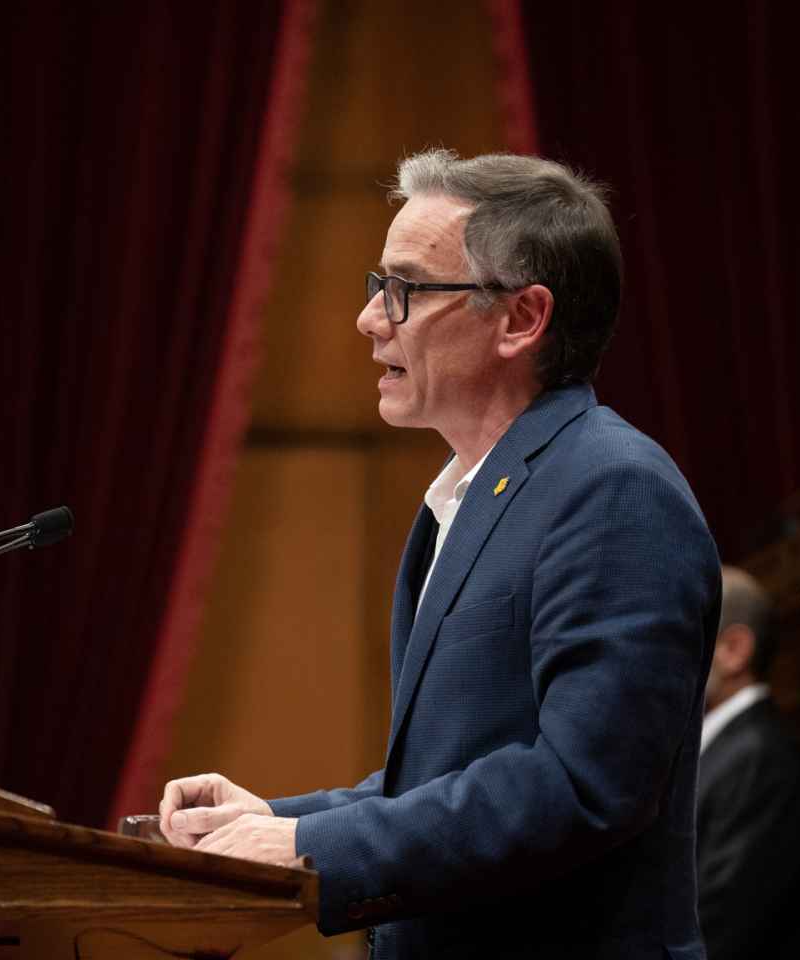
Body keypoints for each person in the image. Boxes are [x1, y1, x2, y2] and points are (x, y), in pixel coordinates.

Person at [158, 150, 721, 958]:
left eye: (406, 289)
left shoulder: (614, 492)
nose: (370, 318)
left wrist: (317, 851)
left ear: (521, 319)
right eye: (376, 285)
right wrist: (276, 821)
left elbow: (581, 785)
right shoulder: (473, 491)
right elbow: (450, 777)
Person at [697, 566, 800, 957]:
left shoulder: (760, 757)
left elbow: (719, 924)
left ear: (734, 650)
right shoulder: (727, 747)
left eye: (681, 631)